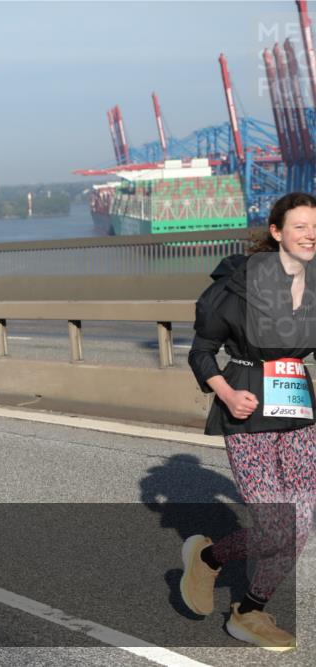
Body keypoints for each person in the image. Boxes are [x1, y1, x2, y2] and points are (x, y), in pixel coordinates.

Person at [184, 191, 316, 650]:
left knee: (300, 519)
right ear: (277, 232)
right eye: (300, 225)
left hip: (297, 407)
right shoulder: (239, 286)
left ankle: (251, 610)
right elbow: (201, 351)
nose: (310, 234)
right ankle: (208, 557)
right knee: (277, 525)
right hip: (247, 407)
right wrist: (224, 391)